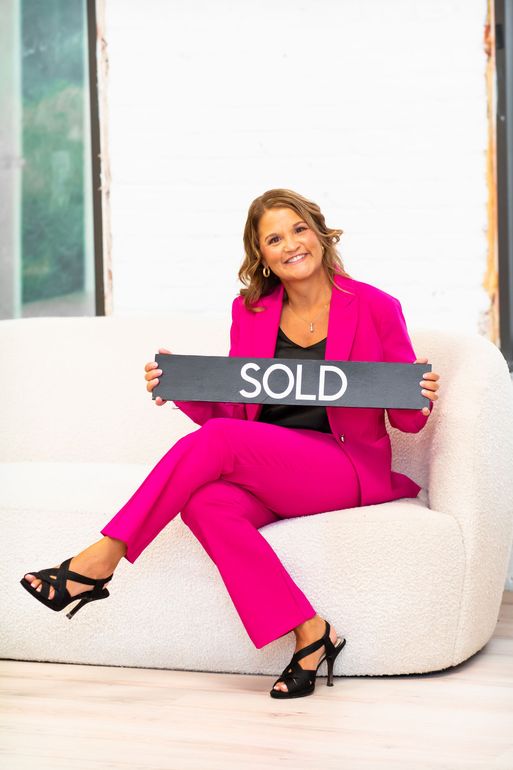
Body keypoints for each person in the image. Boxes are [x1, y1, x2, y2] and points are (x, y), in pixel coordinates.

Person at [20, 188, 440, 699]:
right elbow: (238, 411)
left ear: (320, 233)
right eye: (274, 239)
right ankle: (311, 633)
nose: (291, 245)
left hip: (342, 465)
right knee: (205, 503)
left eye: (298, 230)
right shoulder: (253, 313)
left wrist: (418, 396)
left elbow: (407, 422)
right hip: (274, 464)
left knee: (219, 447)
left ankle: (100, 560)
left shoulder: (374, 307)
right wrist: (180, 387)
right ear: (261, 255)